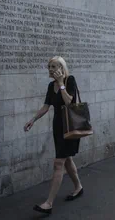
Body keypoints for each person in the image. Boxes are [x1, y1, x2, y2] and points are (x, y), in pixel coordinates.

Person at [24, 56, 83, 215]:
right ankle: (78, 187)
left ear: (61, 68)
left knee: (59, 163)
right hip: (58, 127)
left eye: (53, 66)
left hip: (70, 126)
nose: (50, 69)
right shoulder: (51, 86)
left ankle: (48, 203)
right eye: (49, 66)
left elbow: (70, 102)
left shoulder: (70, 80)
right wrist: (33, 120)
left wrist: (62, 84)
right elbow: (46, 106)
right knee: (67, 159)